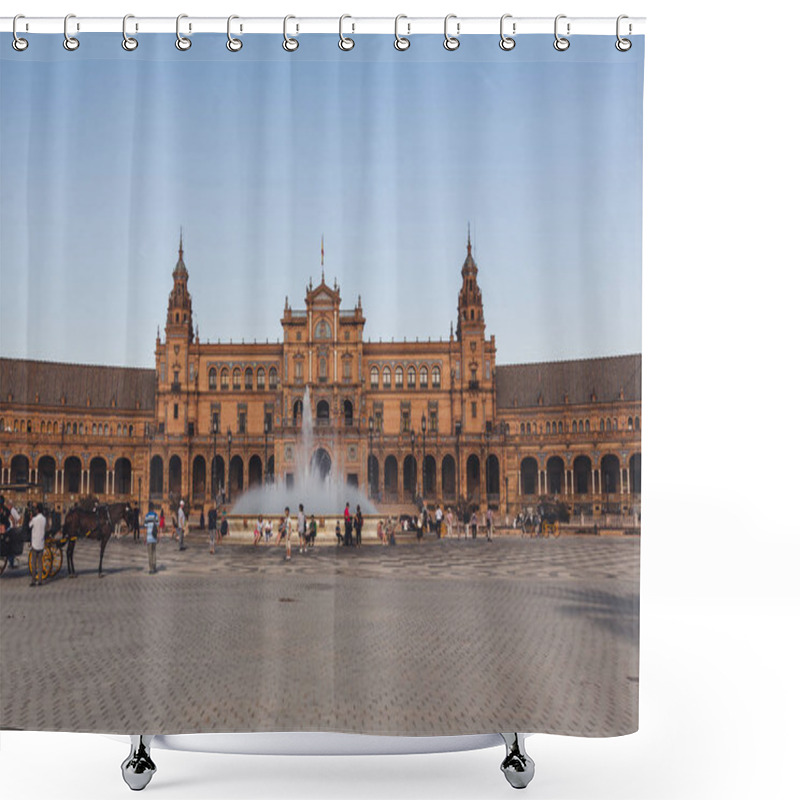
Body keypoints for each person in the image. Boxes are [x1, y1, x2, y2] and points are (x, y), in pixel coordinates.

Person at [29, 503, 46, 586]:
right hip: (41, 543)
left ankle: (33, 580)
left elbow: (29, 525)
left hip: (35, 543)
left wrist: (31, 518)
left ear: (37, 510)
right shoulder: (44, 519)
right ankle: (40, 580)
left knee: (33, 563)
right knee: (40, 563)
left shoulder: (35, 519)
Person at [143, 502, 159, 573]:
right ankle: (154, 567)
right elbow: (157, 526)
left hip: (149, 537)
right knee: (154, 552)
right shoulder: (156, 515)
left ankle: (151, 568)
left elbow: (145, 527)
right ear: (153, 508)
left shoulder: (146, 516)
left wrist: (144, 537)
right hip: (154, 537)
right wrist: (158, 536)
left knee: (150, 553)